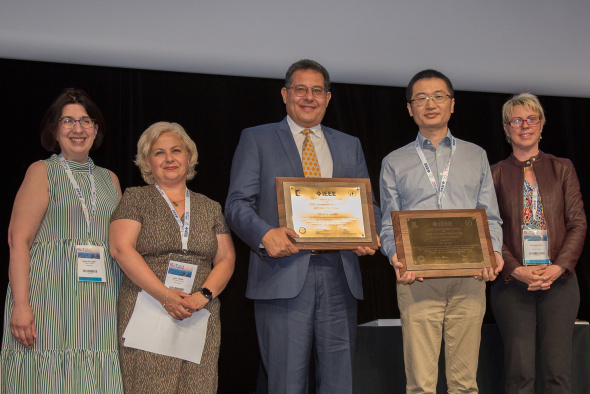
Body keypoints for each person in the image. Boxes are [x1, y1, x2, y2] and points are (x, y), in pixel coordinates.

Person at [225, 59, 380, 393]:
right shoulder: (257, 139)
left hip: (340, 276)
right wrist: (265, 234)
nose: (309, 97)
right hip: (282, 275)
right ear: (285, 94)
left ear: (328, 97)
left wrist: (371, 232)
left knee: (340, 382)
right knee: (285, 383)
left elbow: (367, 204)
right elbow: (236, 204)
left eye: (317, 90)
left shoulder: (348, 143)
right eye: (300, 89)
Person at [379, 69, 504, 393]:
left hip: (470, 279)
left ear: (452, 104)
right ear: (410, 108)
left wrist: (494, 253)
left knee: (465, 384)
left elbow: (490, 216)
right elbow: (388, 224)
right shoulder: (394, 161)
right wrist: (396, 257)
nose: (429, 103)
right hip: (417, 282)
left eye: (438, 96)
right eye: (420, 98)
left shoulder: (476, 155)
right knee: (420, 385)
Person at [0, 89, 124, 392]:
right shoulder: (42, 171)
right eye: (67, 121)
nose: (78, 128)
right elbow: (18, 241)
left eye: (85, 121)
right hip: (50, 295)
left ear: (96, 129)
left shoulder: (111, 179)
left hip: (102, 298)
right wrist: (21, 304)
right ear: (54, 130)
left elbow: (122, 244)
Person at [109, 121, 235, 393]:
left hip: (199, 315)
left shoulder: (210, 206)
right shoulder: (135, 198)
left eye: (176, 150)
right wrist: (164, 295)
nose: (169, 158)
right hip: (148, 311)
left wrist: (203, 296)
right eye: (159, 153)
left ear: (189, 156)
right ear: (146, 161)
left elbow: (226, 259)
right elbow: (120, 248)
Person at [490, 93, 586, 393]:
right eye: (516, 120)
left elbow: (578, 223)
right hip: (512, 283)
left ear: (542, 124)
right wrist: (515, 269)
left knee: (557, 373)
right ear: (506, 129)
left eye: (531, 119)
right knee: (520, 374)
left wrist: (559, 267)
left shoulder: (562, 168)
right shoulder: (494, 174)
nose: (524, 125)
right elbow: (488, 231)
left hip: (559, 282)